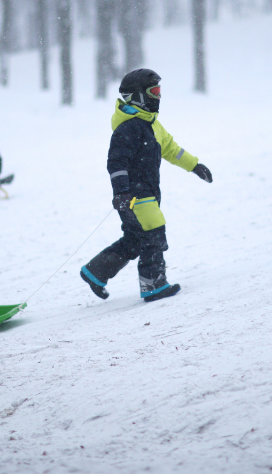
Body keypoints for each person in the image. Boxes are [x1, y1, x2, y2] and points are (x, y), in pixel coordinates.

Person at [80, 69, 213, 302]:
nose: (158, 96)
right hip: (134, 195)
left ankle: (96, 271)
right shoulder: (127, 129)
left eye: (159, 91)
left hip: (148, 192)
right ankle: (153, 283)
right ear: (138, 96)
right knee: (154, 232)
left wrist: (195, 166)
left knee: (135, 240)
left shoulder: (153, 125)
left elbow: (172, 149)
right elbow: (116, 163)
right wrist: (121, 191)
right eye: (154, 91)